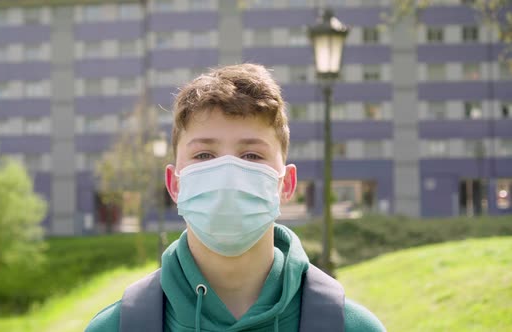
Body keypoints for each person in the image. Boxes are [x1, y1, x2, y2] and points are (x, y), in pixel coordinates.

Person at [85, 63, 385, 332]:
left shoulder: (352, 327)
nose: (228, 172)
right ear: (174, 183)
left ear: (287, 183)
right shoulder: (114, 328)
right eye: (204, 155)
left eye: (252, 155)